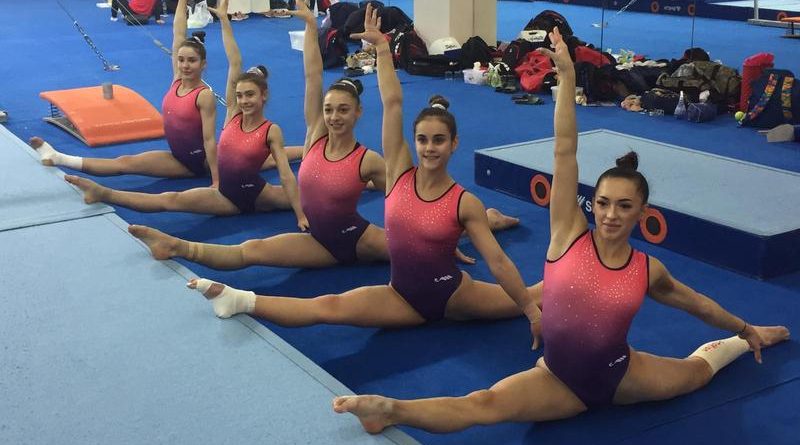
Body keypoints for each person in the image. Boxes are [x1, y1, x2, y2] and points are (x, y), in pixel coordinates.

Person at [330, 26, 790, 434]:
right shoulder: (568, 234)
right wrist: (567, 79)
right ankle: (391, 409)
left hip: (622, 375)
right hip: (558, 380)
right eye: (603, 203)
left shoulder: (648, 270)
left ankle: (744, 341)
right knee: (483, 404)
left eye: (624, 207)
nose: (610, 215)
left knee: (697, 373)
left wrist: (742, 327)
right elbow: (564, 151)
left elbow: (699, 304)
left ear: (641, 213)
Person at [185, 4, 542, 337]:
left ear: (454, 144)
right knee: (329, 305)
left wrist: (529, 309)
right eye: (422, 140)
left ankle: (491, 224)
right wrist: (359, 42)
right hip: (400, 294)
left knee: (532, 295)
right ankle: (236, 296)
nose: (429, 148)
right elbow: (345, 88)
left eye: (438, 141)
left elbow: (496, 261)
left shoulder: (415, 180)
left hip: (453, 295)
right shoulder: (383, 166)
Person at [128, 0, 517, 268]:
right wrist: (312, 26)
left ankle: (488, 220)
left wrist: (440, 242)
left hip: (356, 239)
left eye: (342, 110)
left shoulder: (369, 159)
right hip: (319, 241)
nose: (332, 117)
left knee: (426, 244)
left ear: (357, 114)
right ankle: (177, 246)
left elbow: (415, 202)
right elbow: (313, 77)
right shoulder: (315, 135)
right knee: (254, 250)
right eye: (329, 110)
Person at [62, 0, 307, 227]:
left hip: (251, 191)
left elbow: (235, 64)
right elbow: (181, 37)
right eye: (240, 95)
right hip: (222, 186)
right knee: (173, 196)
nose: (243, 100)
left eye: (250, 94)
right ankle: (100, 190)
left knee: (283, 175)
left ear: (263, 95)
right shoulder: (230, 111)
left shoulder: (249, 120)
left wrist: (300, 215)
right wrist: (198, 10)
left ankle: (309, 150)